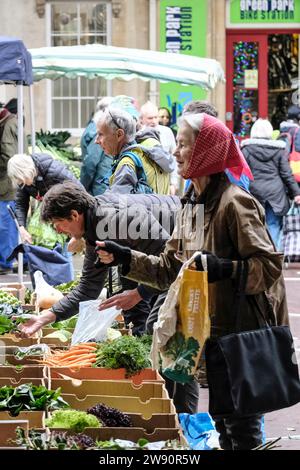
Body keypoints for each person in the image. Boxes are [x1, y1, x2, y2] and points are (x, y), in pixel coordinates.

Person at [94, 113, 289, 450]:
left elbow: (268, 266)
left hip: (242, 335)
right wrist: (125, 257)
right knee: (224, 427)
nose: (177, 152)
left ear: (207, 152)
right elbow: (170, 268)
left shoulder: (236, 203)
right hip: (211, 335)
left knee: (241, 432)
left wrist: (224, 268)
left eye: (183, 145)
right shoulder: (192, 204)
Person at [16, 182, 179, 336]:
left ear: (74, 215)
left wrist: (139, 293)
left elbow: (171, 266)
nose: (58, 231)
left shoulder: (120, 218)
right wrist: (45, 317)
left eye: (58, 223)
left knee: (160, 327)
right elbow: (89, 287)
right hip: (170, 258)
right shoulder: (94, 226)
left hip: (191, 242)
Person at [7, 153, 82, 266]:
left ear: (27, 171)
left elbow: (80, 194)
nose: (20, 182)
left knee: (64, 252)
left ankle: (67, 280)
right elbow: (20, 204)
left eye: (21, 178)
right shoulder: (25, 181)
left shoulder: (55, 172)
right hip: (52, 216)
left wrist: (77, 231)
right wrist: (21, 227)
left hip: (66, 215)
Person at [241, 118, 300, 249]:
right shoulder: (279, 150)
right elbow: (286, 174)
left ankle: (258, 257)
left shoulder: (246, 150)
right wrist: (296, 193)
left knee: (255, 226)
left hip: (253, 194)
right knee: (273, 225)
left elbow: (242, 174)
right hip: (276, 195)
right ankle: (273, 258)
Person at [95, 107, 174, 195]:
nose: (96, 141)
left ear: (119, 135)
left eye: (100, 134)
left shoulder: (127, 163)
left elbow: (115, 205)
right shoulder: (153, 145)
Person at [140, 101, 178, 195]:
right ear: (141, 119)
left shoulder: (167, 132)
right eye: (150, 118)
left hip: (165, 185)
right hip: (145, 186)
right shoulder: (138, 135)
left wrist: (173, 183)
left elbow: (174, 157)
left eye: (156, 117)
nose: (153, 121)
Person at [80, 97, 113, 196]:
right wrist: (82, 188)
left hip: (101, 186)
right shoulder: (99, 131)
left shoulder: (95, 127)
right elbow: (90, 162)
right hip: (99, 189)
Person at [0, 104, 19, 274]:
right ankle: (23, 259)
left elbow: (7, 156)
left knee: (6, 225)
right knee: (12, 224)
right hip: (9, 183)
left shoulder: (7, 124)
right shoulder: (11, 122)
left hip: (6, 185)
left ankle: (5, 262)